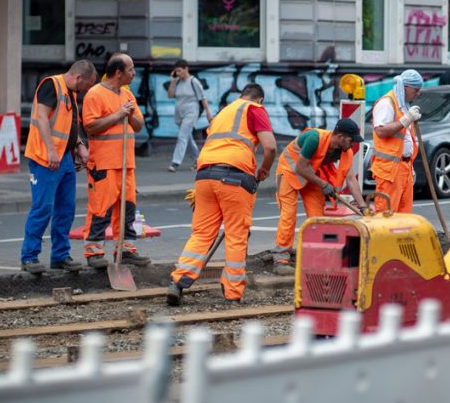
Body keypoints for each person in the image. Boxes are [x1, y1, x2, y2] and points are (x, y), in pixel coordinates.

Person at [167, 83, 277, 305]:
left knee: (201, 234)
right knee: (236, 235)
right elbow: (270, 147)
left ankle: (178, 282)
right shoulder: (255, 109)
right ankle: (232, 293)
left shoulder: (222, 113)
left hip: (205, 175)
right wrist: (264, 169)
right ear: (260, 99)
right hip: (235, 177)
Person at [20, 60, 98, 275]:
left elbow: (71, 125)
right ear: (79, 78)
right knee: (42, 208)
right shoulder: (51, 85)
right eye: (86, 86)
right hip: (46, 158)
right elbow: (41, 118)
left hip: (64, 158)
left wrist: (80, 146)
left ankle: (60, 256)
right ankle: (29, 256)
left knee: (65, 209)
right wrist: (51, 150)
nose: (85, 91)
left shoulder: (70, 93)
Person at [271, 118, 368, 275]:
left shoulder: (346, 151)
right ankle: (281, 259)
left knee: (317, 218)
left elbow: (351, 179)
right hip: (289, 171)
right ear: (340, 137)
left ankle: (315, 256)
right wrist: (323, 185)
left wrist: (362, 205)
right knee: (288, 214)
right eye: (351, 140)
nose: (353, 145)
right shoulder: (314, 138)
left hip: (311, 174)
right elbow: (301, 167)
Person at [82, 53, 150, 269]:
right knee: (100, 208)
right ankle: (94, 252)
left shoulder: (128, 95)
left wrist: (129, 115)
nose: (134, 73)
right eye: (131, 69)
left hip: (126, 163)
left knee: (128, 208)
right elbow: (90, 126)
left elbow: (138, 125)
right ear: (118, 73)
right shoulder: (95, 94)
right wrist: (117, 114)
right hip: (103, 163)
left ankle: (126, 249)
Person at [372, 69, 423, 213]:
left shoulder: (403, 105)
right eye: (416, 89)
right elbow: (380, 131)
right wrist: (406, 120)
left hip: (404, 168)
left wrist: (410, 166)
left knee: (404, 216)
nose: (418, 93)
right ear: (406, 87)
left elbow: (405, 139)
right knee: (386, 215)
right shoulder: (387, 103)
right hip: (389, 171)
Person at [166, 59, 213, 172]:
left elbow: (202, 98)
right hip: (179, 113)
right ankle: (199, 159)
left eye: (180, 71)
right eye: (176, 71)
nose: (178, 73)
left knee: (182, 136)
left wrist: (208, 112)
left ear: (186, 69)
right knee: (187, 137)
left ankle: (175, 163)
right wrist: (172, 81)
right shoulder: (177, 82)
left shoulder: (194, 82)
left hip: (191, 112)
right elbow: (170, 95)